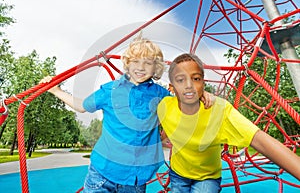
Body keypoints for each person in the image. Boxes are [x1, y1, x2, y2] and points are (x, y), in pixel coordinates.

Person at [40, 35, 214, 193]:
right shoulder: (110, 90)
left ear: (155, 68)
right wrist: (56, 91)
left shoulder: (160, 95)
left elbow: (184, 105)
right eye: (136, 61)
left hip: (136, 180)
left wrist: (201, 94)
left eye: (147, 63)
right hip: (102, 173)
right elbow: (81, 106)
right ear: (127, 63)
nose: (140, 67)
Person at [157, 53, 300, 193]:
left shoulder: (219, 110)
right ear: (171, 87)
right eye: (180, 80)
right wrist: (162, 138)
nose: (188, 85)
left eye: (195, 78)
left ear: (203, 83)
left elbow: (259, 139)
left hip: (207, 177)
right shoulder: (164, 106)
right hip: (178, 174)